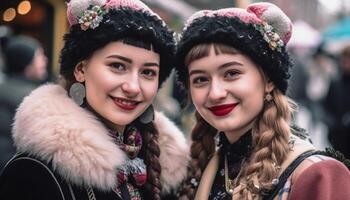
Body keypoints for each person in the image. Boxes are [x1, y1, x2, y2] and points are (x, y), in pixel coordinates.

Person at [0, 0, 189, 199]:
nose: (133, 87)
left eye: (148, 72)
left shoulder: (164, 167)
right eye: (118, 66)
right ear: (81, 69)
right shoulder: (34, 173)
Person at [175, 2, 350, 200]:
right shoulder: (197, 168)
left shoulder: (314, 175)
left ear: (268, 80)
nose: (215, 93)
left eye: (231, 73)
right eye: (200, 79)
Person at [0, 35, 48, 170]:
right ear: (26, 63)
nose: (45, 60)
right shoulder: (31, 98)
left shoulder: (4, 88)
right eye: (39, 56)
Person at [324, 45, 350, 158]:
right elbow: (326, 107)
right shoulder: (335, 83)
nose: (345, 63)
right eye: (344, 59)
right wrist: (333, 125)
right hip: (339, 138)